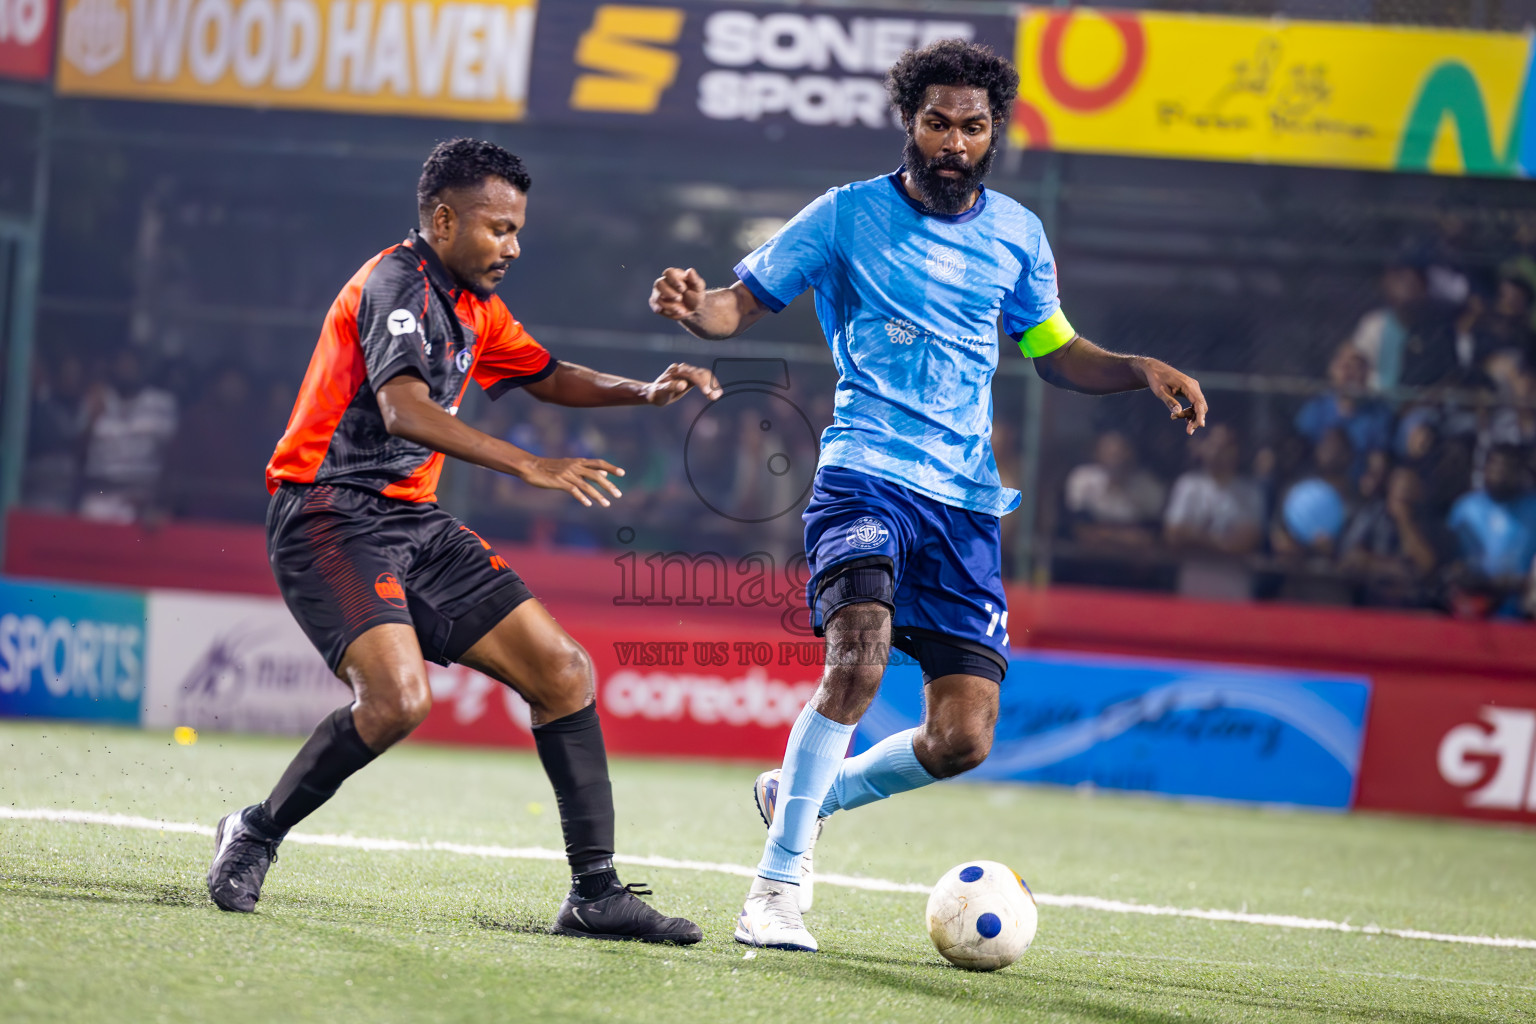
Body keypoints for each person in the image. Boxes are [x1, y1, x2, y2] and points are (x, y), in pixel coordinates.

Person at [648, 40, 1205, 952]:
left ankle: (802, 795)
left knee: (962, 739)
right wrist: (692, 305)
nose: (953, 141)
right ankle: (777, 888)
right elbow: (735, 306)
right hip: (864, 475)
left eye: (972, 127)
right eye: (937, 122)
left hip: (966, 505)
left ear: (994, 135)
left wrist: (1137, 368)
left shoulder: (1019, 234)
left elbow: (1053, 353)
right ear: (909, 122)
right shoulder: (844, 216)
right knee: (858, 661)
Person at [207, 139, 717, 944]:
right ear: (443, 220)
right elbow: (407, 409)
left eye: (518, 230)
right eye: (497, 228)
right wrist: (531, 464)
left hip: (414, 521)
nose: (512, 247)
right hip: (328, 512)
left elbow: (545, 373)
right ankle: (254, 832)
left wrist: (644, 393)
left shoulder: (476, 306)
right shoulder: (395, 285)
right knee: (399, 701)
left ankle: (594, 893)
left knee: (564, 672)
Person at [1162, 423, 1265, 600]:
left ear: (1237, 450)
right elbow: (1174, 536)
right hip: (1192, 586)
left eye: (1225, 446)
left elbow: (1245, 543)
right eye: (1214, 444)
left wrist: (1196, 537)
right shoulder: (1187, 486)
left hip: (1234, 589)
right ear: (1202, 447)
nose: (1218, 451)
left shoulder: (1250, 492)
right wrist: (1222, 541)